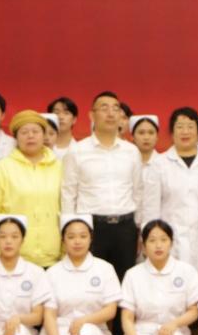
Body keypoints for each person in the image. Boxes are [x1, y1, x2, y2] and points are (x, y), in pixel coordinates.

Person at [61, 93, 142, 292]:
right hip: (92, 229)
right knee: (91, 287)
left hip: (125, 228)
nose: (111, 113)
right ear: (91, 115)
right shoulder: (77, 151)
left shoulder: (131, 151)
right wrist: (69, 231)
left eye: (116, 108)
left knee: (124, 287)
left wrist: (139, 228)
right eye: (104, 108)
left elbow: (138, 191)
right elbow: (68, 194)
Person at [119, 219, 198, 335]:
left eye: (163, 240)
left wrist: (174, 324)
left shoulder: (186, 271)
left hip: (174, 330)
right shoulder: (133, 275)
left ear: (171, 243)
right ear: (143, 245)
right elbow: (127, 317)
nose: (158, 245)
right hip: (142, 331)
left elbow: (194, 311)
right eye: (152, 240)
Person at [36, 215, 122, 335]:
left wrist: (83, 321)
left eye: (83, 236)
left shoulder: (104, 268)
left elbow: (110, 310)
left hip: (93, 329)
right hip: (58, 331)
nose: (77, 241)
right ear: (63, 240)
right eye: (71, 237)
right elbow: (49, 314)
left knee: (84, 334)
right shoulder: (52, 273)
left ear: (91, 238)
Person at [145, 108, 198, 277]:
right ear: (172, 132)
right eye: (180, 127)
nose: (185, 131)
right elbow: (151, 208)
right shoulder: (159, 164)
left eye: (190, 126)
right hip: (169, 239)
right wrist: (150, 239)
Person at [0, 111, 62, 269]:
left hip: (53, 257)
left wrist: (66, 251)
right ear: (16, 138)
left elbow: (67, 208)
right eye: (24, 132)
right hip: (13, 257)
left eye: (35, 131)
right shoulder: (3, 168)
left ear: (44, 135)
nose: (30, 136)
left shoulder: (59, 167)